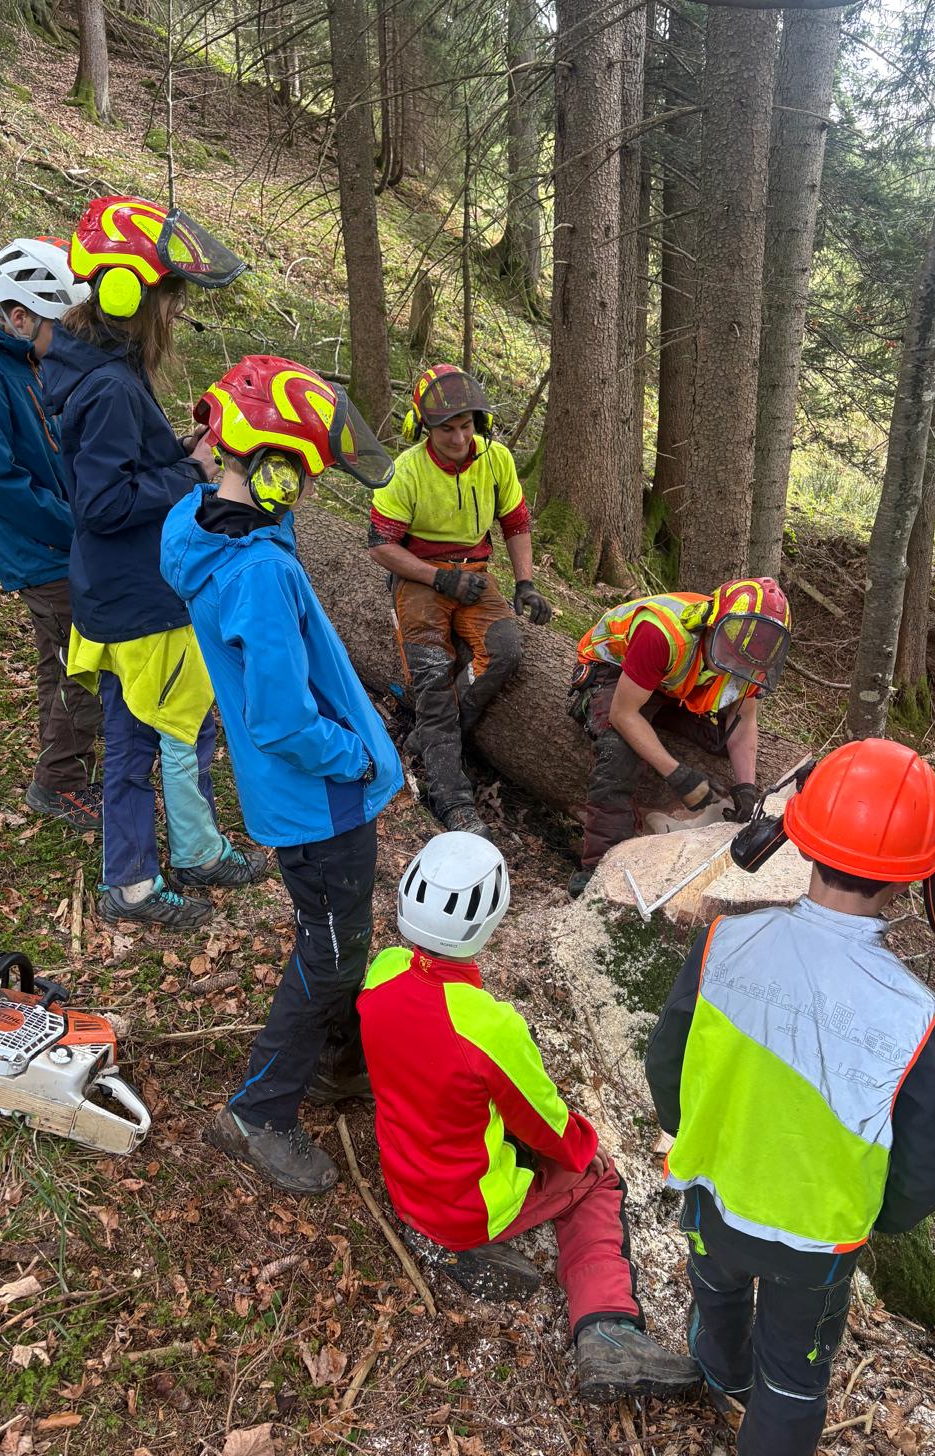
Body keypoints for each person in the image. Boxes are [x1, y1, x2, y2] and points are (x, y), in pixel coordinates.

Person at [646, 739, 935, 1455]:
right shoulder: (915, 1016)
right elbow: (928, 1170)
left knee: (717, 1295)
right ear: (916, 879)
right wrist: (870, 1216)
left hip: (713, 1191)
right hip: (817, 1240)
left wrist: (695, 1130)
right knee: (793, 1380)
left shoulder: (724, 942)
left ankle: (722, 1377)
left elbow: (666, 1063)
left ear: (795, 834)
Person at [160, 355, 403, 1194]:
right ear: (272, 471)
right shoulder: (260, 571)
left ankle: (341, 1061)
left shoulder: (202, 529)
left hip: (297, 797)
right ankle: (258, 1113)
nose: (303, 493)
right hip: (320, 800)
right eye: (299, 475)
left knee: (339, 938)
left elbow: (218, 487)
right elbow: (282, 720)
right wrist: (357, 756)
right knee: (329, 954)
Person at [357, 831, 703, 1405]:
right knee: (597, 1181)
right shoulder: (490, 1027)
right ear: (490, 921)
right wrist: (586, 1147)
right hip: (464, 1203)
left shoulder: (384, 971)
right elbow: (549, 1127)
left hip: (405, 1180)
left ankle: (455, 1242)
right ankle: (607, 1327)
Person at [43, 195, 267, 931]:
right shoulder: (110, 386)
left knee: (179, 724)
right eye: (169, 299)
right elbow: (102, 503)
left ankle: (191, 852)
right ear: (126, 295)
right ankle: (134, 885)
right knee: (143, 738)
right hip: (134, 599)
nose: (174, 314)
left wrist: (178, 451)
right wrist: (192, 473)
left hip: (129, 588)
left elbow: (122, 470)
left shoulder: (107, 367)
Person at [0, 239, 102, 832]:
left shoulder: (19, 359)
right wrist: (77, 526)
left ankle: (60, 769)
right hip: (40, 549)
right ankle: (60, 783)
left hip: (61, 535)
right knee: (81, 665)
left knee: (61, 658)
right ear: (17, 316)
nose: (64, 340)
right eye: (57, 326)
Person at [368, 365, 552, 838]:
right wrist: (438, 578)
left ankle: (431, 734)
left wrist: (526, 583)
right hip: (419, 576)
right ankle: (451, 797)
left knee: (505, 653)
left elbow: (515, 522)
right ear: (424, 428)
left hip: (475, 572)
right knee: (432, 675)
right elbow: (380, 545)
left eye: (466, 426)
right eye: (446, 428)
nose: (458, 438)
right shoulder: (406, 470)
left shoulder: (496, 459)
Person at [567, 578, 791, 895]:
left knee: (718, 737)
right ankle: (598, 869)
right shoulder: (662, 633)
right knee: (618, 749)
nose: (733, 670)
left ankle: (659, 713)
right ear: (712, 626)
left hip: (672, 683)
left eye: (742, 666)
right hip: (615, 669)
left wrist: (746, 788)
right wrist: (678, 775)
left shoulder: (753, 653)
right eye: (729, 659)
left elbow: (742, 719)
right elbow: (623, 714)